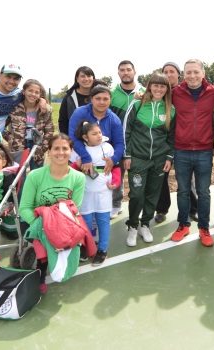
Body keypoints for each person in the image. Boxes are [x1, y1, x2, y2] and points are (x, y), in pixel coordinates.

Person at [19, 134, 86, 293]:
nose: (60, 152)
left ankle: (65, 257)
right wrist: (43, 226)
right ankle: (41, 270)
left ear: (71, 151)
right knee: (47, 236)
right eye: (56, 148)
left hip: (64, 220)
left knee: (68, 236)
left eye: (65, 148)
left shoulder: (79, 178)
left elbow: (75, 209)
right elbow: (24, 208)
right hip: (37, 221)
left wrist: (60, 227)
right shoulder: (35, 176)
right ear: (49, 151)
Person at [169, 59, 214, 247]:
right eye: (188, 72)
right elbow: (156, 98)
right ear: (183, 74)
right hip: (181, 150)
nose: (192, 76)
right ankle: (183, 225)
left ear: (203, 73)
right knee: (182, 191)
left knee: (204, 192)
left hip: (205, 151)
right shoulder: (176, 93)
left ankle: (204, 229)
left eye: (196, 72)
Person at [124, 73, 175, 247]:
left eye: (163, 86)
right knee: (137, 194)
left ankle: (145, 224)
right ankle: (132, 225)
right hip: (138, 159)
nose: (159, 89)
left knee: (153, 194)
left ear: (167, 89)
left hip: (160, 160)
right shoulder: (137, 105)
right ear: (149, 86)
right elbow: (126, 131)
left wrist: (169, 157)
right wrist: (127, 155)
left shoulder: (170, 109)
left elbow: (172, 136)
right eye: (156, 85)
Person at [154, 62, 199, 224]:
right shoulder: (158, 92)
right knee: (161, 178)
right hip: (163, 142)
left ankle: (193, 209)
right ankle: (161, 209)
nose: (168, 74)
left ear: (178, 74)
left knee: (186, 180)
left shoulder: (185, 91)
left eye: (171, 71)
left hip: (182, 142)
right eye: (165, 71)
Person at [71, 121, 119, 265]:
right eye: (94, 133)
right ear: (85, 137)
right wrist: (77, 166)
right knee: (85, 222)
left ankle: (102, 249)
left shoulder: (108, 148)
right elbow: (72, 170)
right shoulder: (78, 151)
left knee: (103, 220)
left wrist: (115, 181)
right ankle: (87, 247)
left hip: (103, 191)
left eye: (99, 132)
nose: (99, 135)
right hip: (85, 191)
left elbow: (116, 168)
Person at [109, 60, 146, 218]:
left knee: (137, 177)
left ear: (134, 71)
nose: (125, 72)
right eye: (122, 70)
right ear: (118, 73)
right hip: (116, 142)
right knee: (116, 173)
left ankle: (139, 206)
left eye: (128, 69)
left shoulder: (144, 92)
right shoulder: (111, 93)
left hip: (137, 143)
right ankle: (116, 204)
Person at [68, 85, 125, 181]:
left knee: (109, 191)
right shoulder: (80, 113)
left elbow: (119, 143)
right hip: (79, 161)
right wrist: (85, 157)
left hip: (103, 164)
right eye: (98, 98)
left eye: (105, 99)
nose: (101, 102)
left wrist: (113, 160)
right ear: (91, 99)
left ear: (110, 100)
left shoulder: (114, 119)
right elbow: (73, 138)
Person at [3, 79, 54, 170]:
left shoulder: (44, 110)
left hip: (37, 146)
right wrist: (11, 138)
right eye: (30, 91)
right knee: (19, 175)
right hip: (18, 146)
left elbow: (49, 130)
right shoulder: (15, 108)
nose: (33, 94)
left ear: (40, 95)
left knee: (36, 174)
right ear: (24, 92)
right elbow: (2, 126)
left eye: (36, 92)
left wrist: (43, 147)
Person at [58, 66, 96, 133]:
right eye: (83, 76)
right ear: (77, 79)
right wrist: (67, 140)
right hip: (74, 138)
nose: (86, 79)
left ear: (93, 78)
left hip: (96, 138)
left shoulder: (99, 96)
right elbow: (63, 121)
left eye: (89, 76)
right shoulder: (69, 97)